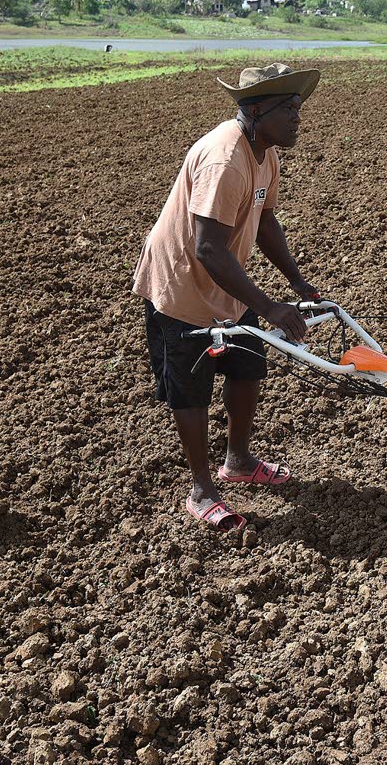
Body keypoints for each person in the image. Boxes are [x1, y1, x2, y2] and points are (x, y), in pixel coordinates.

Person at [132, 63, 321, 530]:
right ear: (255, 111)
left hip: (225, 283)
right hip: (182, 287)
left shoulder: (265, 152)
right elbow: (207, 248)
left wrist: (296, 282)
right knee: (191, 389)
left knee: (246, 367)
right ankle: (201, 489)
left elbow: (265, 221)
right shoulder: (225, 160)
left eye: (298, 107)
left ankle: (237, 461)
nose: (297, 118)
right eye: (288, 108)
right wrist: (268, 306)